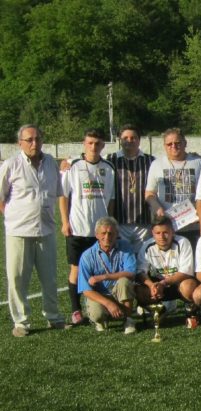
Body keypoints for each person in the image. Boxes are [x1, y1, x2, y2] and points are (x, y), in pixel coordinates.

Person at [0, 125, 65, 336]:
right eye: (29, 140)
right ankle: (21, 322)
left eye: (37, 138)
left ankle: (53, 317)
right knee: (17, 279)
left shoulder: (51, 165)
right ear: (20, 143)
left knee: (50, 278)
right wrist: (12, 216)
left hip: (46, 230)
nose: (34, 143)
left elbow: (57, 193)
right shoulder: (11, 165)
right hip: (18, 232)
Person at [60, 128, 115, 326]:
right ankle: (76, 311)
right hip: (77, 228)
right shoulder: (72, 166)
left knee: (100, 270)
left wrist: (110, 225)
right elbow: (63, 196)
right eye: (90, 142)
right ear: (84, 143)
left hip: (100, 231)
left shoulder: (108, 168)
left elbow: (111, 200)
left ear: (102, 145)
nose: (93, 146)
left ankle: (100, 308)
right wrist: (65, 222)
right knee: (76, 270)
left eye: (97, 143)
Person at [145, 127, 201, 247]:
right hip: (167, 227)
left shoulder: (198, 162)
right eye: (169, 144)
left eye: (178, 143)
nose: (174, 146)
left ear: (185, 143)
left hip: (193, 225)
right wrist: (158, 208)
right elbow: (149, 194)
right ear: (164, 146)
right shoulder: (157, 164)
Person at [77, 217, 137, 334]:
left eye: (111, 233)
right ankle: (101, 320)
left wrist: (105, 277)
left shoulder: (125, 247)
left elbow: (131, 273)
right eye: (103, 233)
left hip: (118, 292)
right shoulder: (87, 256)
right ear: (97, 235)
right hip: (100, 295)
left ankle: (128, 320)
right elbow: (85, 289)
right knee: (97, 315)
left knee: (124, 281)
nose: (107, 237)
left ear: (117, 234)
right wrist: (108, 304)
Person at [109, 124, 155, 252]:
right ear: (120, 140)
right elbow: (91, 161)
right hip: (120, 221)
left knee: (143, 260)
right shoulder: (110, 160)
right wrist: (67, 162)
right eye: (125, 138)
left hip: (144, 222)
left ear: (139, 140)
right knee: (123, 259)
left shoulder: (150, 161)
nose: (129, 141)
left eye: (133, 137)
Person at [135, 215, 198, 308]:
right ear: (152, 233)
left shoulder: (183, 242)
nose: (162, 237)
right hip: (157, 285)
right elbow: (140, 272)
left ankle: (190, 310)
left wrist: (163, 283)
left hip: (178, 283)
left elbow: (186, 272)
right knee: (137, 290)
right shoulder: (147, 246)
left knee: (188, 286)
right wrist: (151, 286)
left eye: (165, 232)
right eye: (158, 233)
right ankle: (159, 310)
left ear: (172, 232)